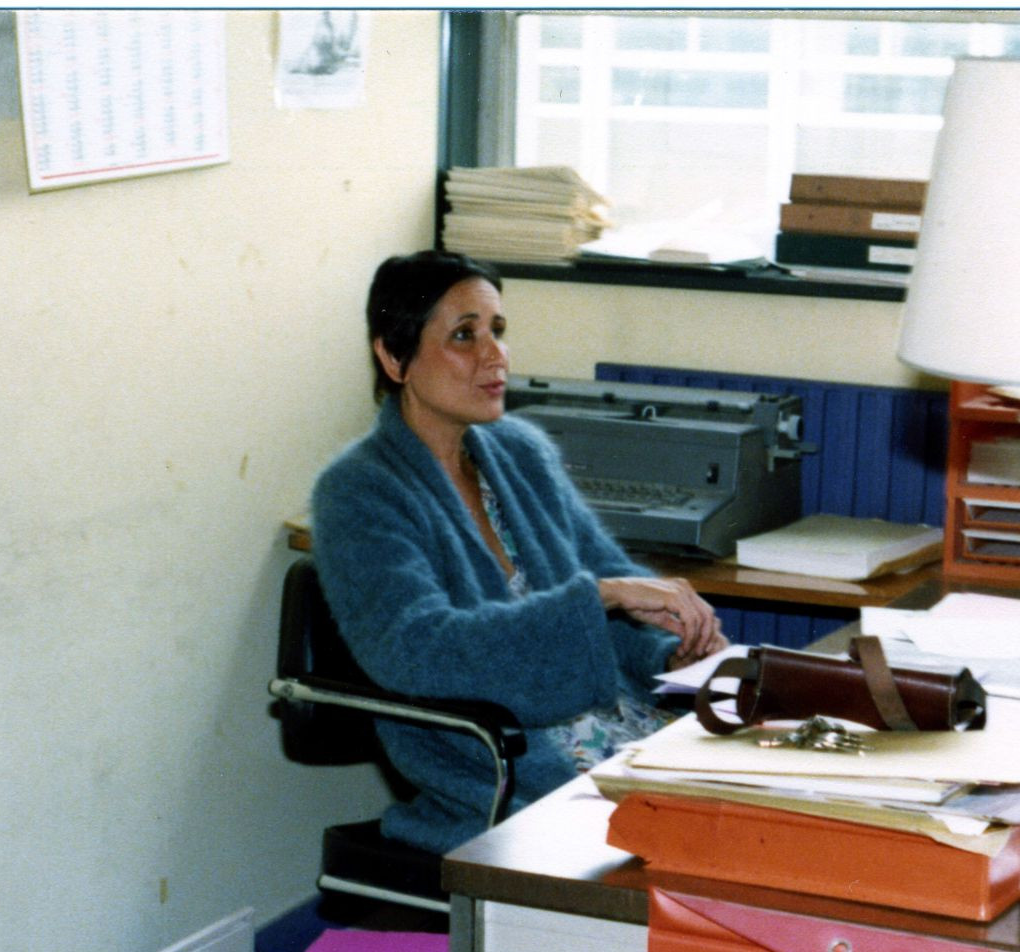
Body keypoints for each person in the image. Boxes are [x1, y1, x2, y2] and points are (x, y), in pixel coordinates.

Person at [311, 250, 728, 854]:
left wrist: (677, 649)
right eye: (464, 335)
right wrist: (605, 597)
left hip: (619, 725)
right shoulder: (359, 492)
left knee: (772, 800)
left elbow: (604, 579)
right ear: (393, 356)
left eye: (497, 331)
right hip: (504, 759)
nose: (495, 355)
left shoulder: (519, 451)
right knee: (717, 844)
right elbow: (417, 648)